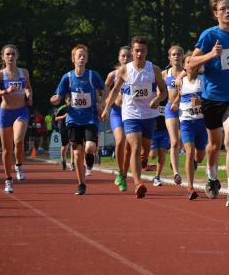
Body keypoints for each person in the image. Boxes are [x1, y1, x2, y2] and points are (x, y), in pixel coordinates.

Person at [188, 0, 229, 207]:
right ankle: (212, 178)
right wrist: (211, 55)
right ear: (216, 13)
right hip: (211, 97)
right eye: (223, 9)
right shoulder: (208, 36)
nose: (228, 11)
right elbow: (191, 63)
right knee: (213, 145)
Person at [101, 36, 167, 199]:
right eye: (137, 51)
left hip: (149, 115)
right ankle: (138, 183)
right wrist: (106, 109)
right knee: (135, 146)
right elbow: (115, 91)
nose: (139, 54)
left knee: (144, 149)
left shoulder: (154, 69)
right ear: (132, 51)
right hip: (130, 113)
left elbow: (164, 91)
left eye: (142, 51)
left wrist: (157, 99)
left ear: (147, 52)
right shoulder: (125, 70)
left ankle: (135, 167)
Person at [50, 44, 106, 195]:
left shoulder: (93, 75)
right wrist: (55, 99)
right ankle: (81, 184)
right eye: (79, 55)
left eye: (84, 56)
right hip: (73, 119)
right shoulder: (67, 77)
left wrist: (101, 104)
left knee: (89, 148)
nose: (81, 58)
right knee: (76, 153)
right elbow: (58, 96)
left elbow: (104, 90)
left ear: (87, 59)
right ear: (73, 59)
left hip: (90, 118)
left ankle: (90, 159)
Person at [0, 44, 33, 193]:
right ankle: (8, 179)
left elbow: (28, 88)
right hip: (5, 113)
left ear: (17, 56)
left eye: (13, 54)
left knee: (18, 139)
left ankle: (18, 165)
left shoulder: (24, 72)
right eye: (7, 54)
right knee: (7, 149)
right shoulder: (0, 75)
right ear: (3, 57)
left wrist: (29, 96)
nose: (10, 57)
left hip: (21, 111)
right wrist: (5, 91)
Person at [173, 52, 208, 200]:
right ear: (185, 66)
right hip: (186, 121)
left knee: (199, 156)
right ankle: (190, 187)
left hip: (201, 121)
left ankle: (194, 163)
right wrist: (175, 103)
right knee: (189, 151)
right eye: (188, 62)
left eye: (193, 62)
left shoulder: (203, 81)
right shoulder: (181, 82)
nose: (190, 65)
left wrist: (200, 102)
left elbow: (210, 99)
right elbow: (179, 96)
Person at [104, 46, 133, 192]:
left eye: (128, 56)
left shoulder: (136, 75)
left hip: (131, 113)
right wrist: (104, 107)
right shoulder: (112, 75)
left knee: (128, 148)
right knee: (120, 141)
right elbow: (104, 90)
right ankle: (120, 171)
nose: (126, 59)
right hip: (116, 112)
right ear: (119, 58)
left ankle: (123, 174)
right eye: (123, 56)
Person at [162, 45, 184, 185]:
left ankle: (173, 159)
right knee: (174, 141)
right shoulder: (165, 74)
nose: (176, 56)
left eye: (178, 54)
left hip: (185, 108)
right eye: (173, 54)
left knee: (183, 142)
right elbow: (159, 90)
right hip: (170, 108)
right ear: (170, 57)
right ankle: (176, 173)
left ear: (182, 57)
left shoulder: (187, 72)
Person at [149, 99, 169, 186]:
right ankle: (142, 158)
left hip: (165, 130)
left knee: (162, 153)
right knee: (153, 155)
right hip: (153, 131)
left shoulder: (167, 98)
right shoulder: (152, 97)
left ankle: (157, 177)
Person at [53, 94, 74, 171]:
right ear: (65, 101)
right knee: (65, 146)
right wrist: (64, 116)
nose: (70, 102)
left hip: (73, 128)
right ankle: (63, 159)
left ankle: (72, 163)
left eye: (72, 100)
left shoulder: (75, 108)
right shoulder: (62, 108)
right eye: (69, 100)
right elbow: (55, 118)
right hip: (64, 128)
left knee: (73, 144)